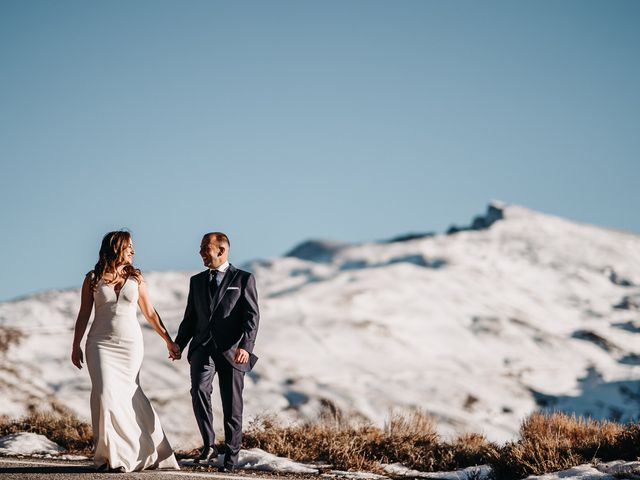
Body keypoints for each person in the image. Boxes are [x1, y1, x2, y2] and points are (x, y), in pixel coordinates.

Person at [71, 230, 180, 472]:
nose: (133, 250)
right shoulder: (92, 278)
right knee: (105, 393)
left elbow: (150, 313)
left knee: (129, 395)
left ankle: (133, 454)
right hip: (99, 344)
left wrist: (168, 341)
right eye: (129, 246)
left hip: (130, 346)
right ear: (116, 248)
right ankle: (109, 456)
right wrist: (76, 344)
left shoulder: (137, 278)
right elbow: (83, 314)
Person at [172, 232, 259, 472]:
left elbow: (252, 317)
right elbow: (190, 318)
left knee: (232, 406)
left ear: (221, 250)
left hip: (233, 351)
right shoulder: (196, 281)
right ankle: (209, 445)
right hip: (202, 348)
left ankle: (230, 460)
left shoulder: (243, 279)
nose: (200, 252)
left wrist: (246, 346)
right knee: (199, 390)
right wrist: (179, 343)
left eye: (204, 248)